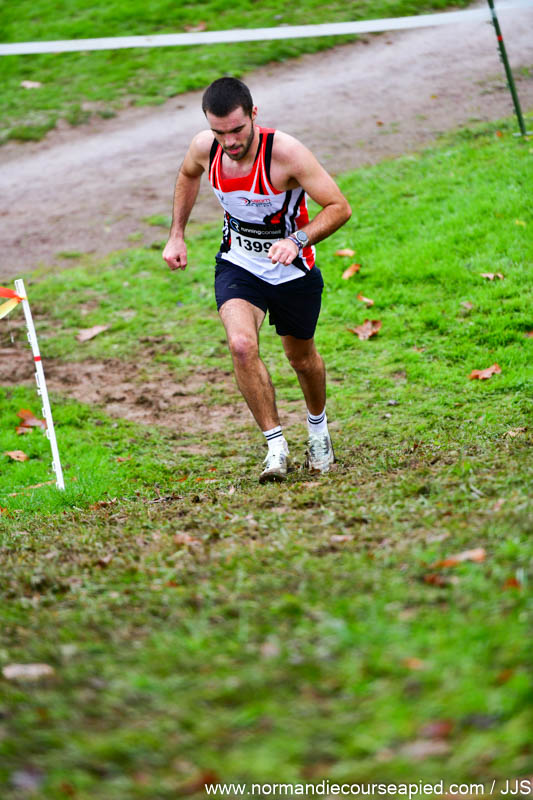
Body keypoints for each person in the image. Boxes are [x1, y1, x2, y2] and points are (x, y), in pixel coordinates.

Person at [163, 77, 351, 483]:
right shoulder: (205, 148)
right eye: (219, 132)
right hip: (239, 265)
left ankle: (318, 431)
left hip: (292, 271)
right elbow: (188, 174)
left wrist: (297, 240)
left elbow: (339, 207)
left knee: (301, 359)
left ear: (254, 115)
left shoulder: (286, 154)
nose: (229, 142)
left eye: (237, 130)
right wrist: (177, 234)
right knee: (242, 345)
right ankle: (275, 446)